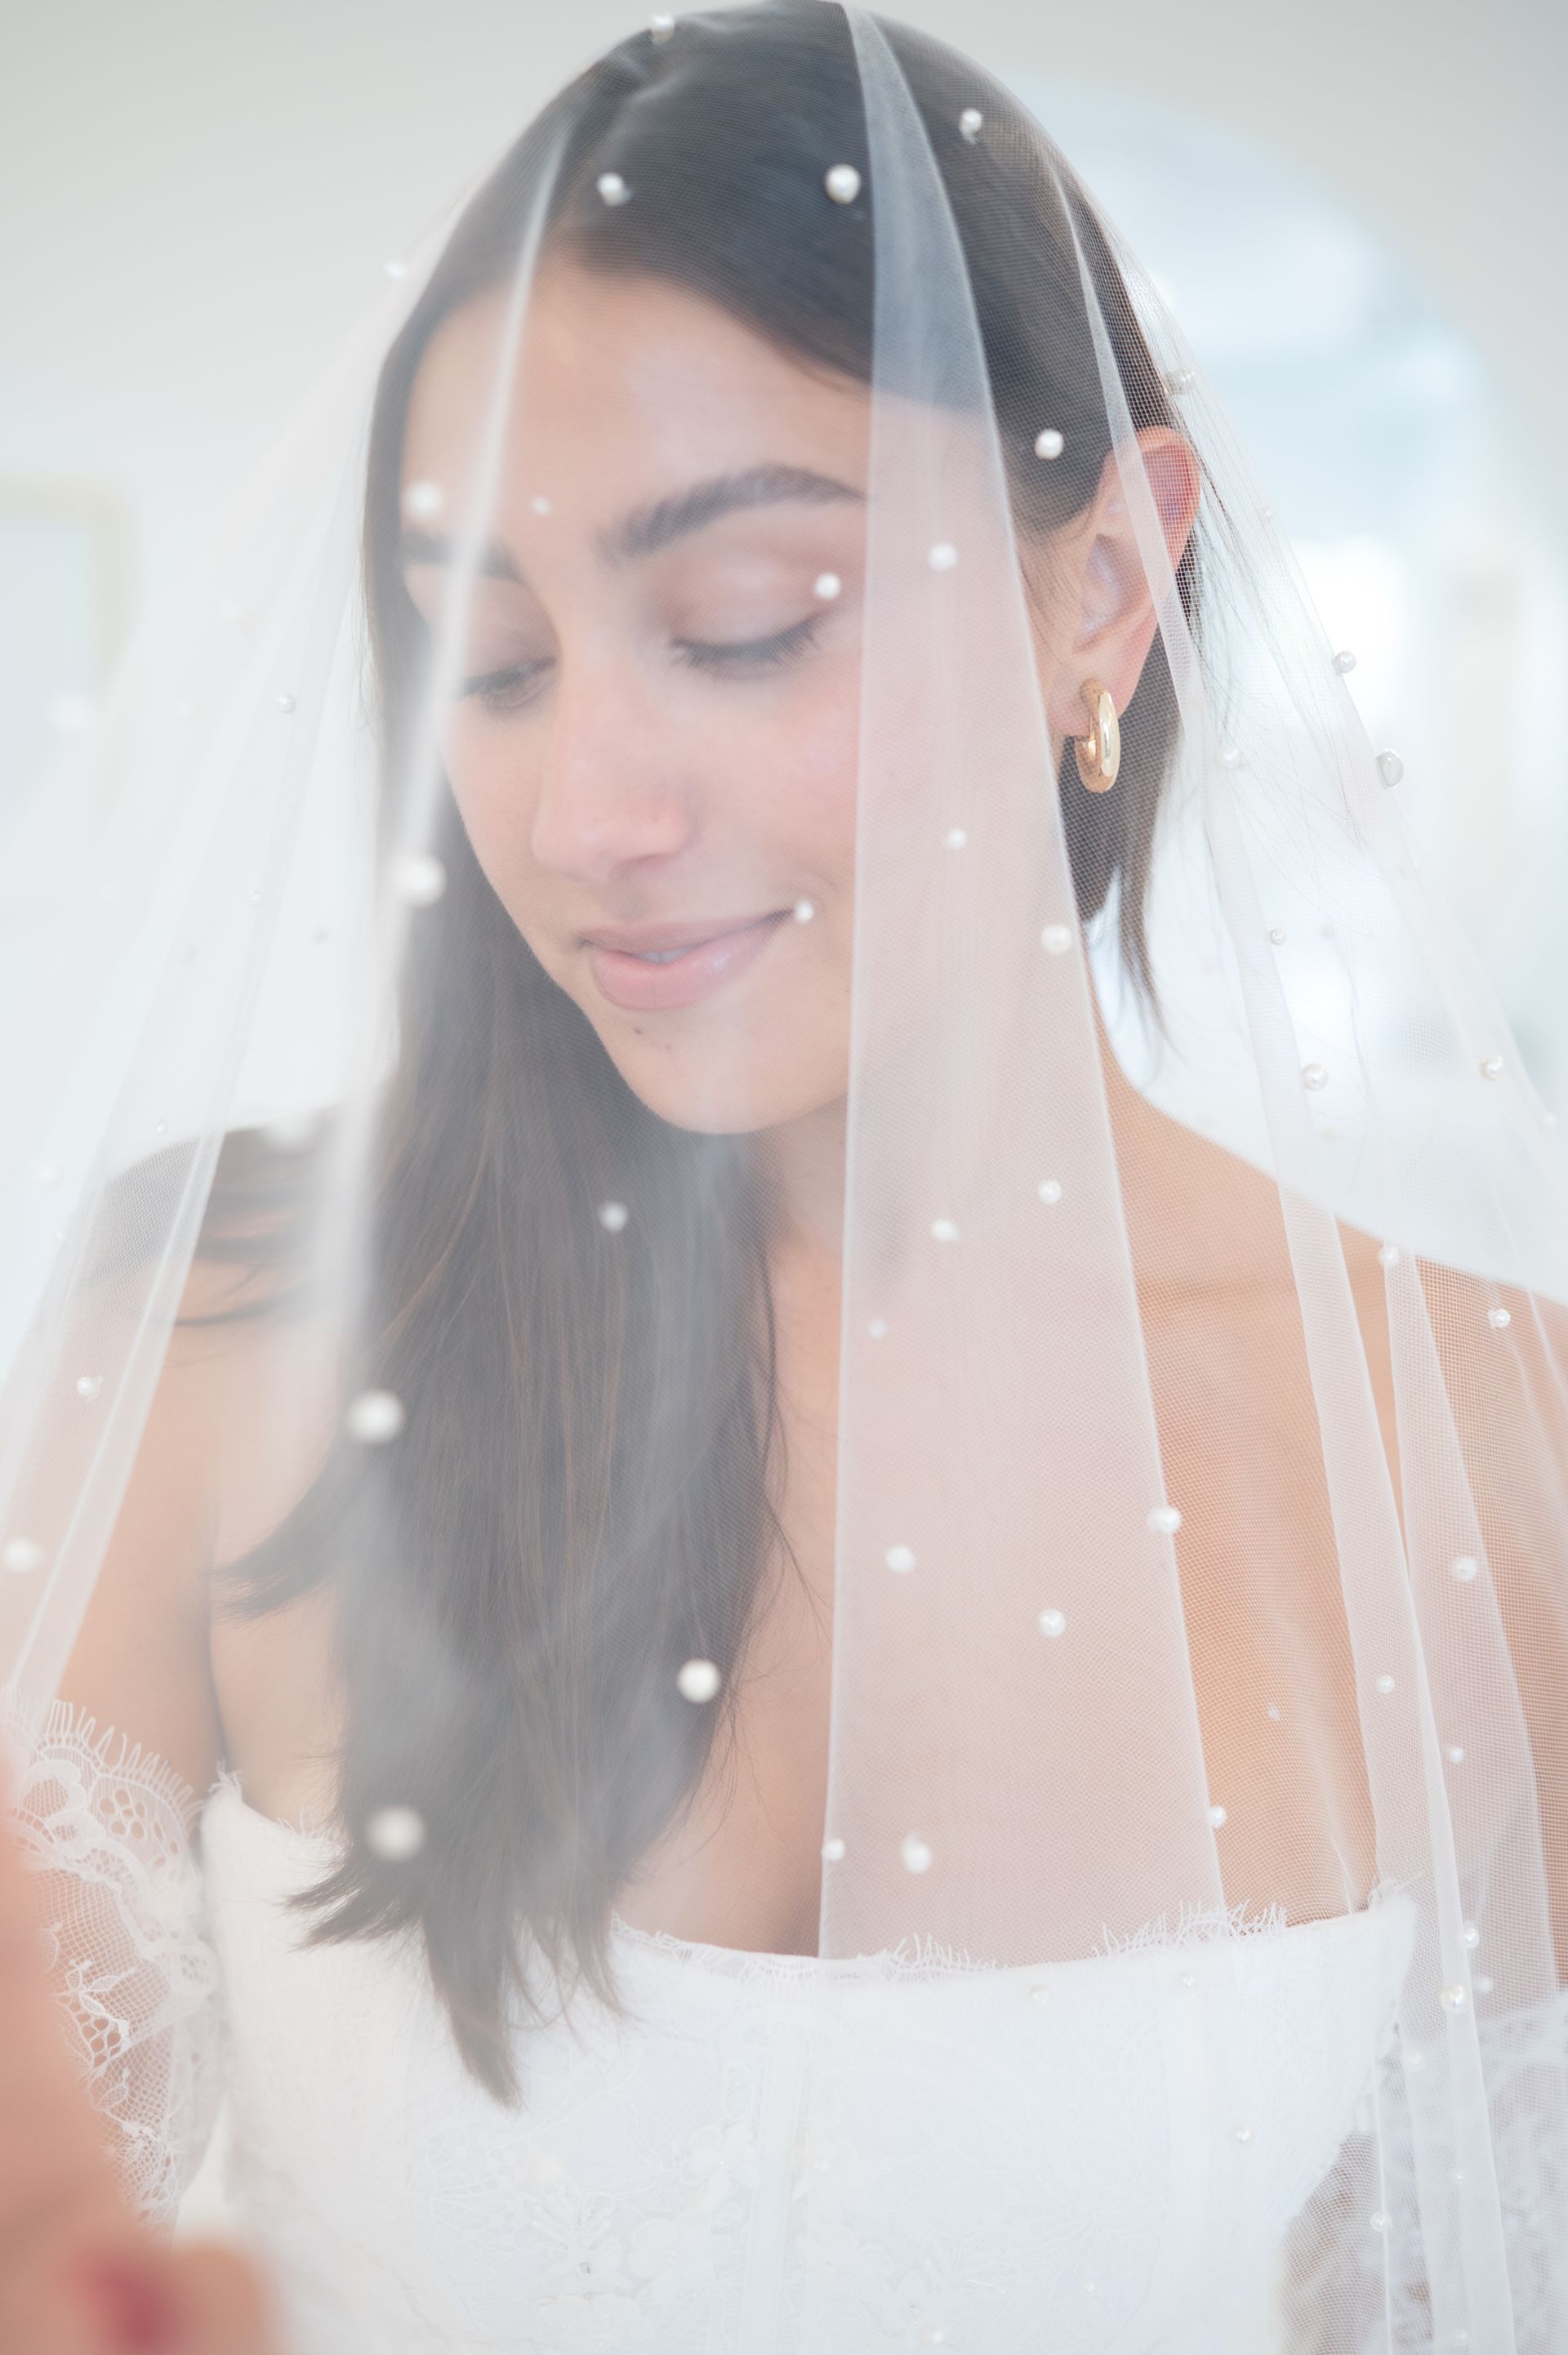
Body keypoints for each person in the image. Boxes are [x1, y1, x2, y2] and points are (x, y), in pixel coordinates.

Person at [2, 5, 1566, 2349]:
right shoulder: (224, 1332)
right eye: (491, 660)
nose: (582, 816)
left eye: (744, 625)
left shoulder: (1494, 1447)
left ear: (1103, 585)